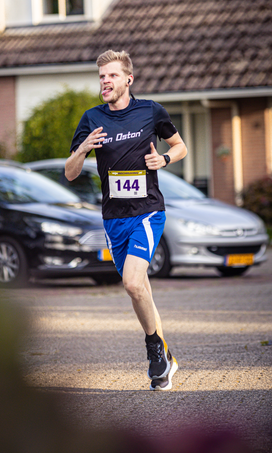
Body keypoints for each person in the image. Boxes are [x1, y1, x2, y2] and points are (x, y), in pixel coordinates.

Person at [65, 50, 187, 391]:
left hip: (148, 212)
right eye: (101, 76)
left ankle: (152, 350)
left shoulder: (150, 110)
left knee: (133, 283)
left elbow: (181, 147)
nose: (105, 81)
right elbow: (70, 173)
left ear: (128, 80)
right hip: (113, 219)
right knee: (141, 290)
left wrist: (163, 159)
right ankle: (165, 361)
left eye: (112, 75)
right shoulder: (91, 118)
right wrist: (83, 149)